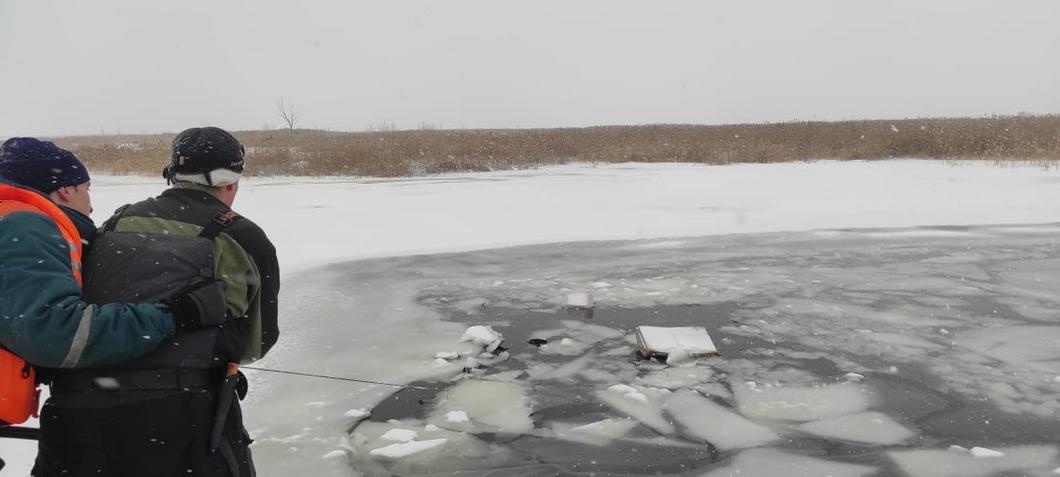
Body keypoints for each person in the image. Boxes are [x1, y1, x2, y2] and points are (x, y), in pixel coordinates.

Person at [38, 127, 280, 477]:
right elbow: (256, 342)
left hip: (76, 421)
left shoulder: (116, 222)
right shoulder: (242, 236)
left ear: (172, 174)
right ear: (232, 181)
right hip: (183, 425)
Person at [0, 138, 228, 468]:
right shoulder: (24, 226)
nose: (91, 206)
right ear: (64, 189)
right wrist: (177, 314)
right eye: (86, 189)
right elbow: (56, 334)